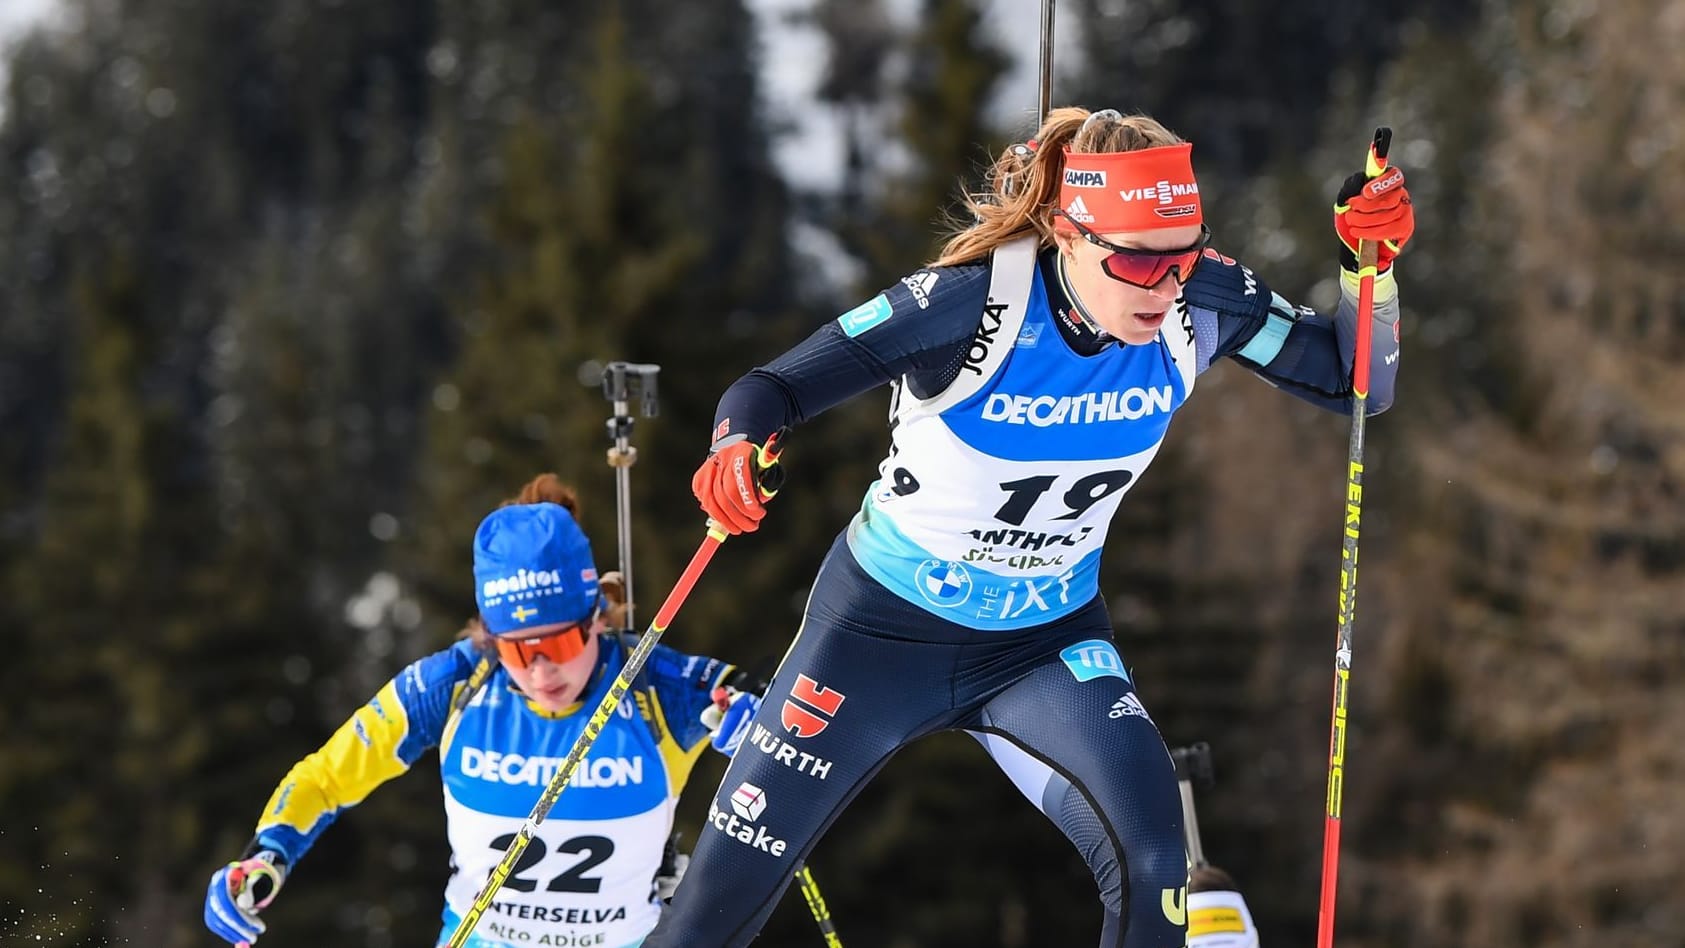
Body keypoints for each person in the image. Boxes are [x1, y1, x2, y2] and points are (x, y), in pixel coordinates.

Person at [652, 105, 1412, 947]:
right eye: (1133, 261)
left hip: (1040, 645)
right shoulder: (971, 306)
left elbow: (1357, 382)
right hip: (875, 637)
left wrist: (1364, 268)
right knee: (709, 911)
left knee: (1154, 857)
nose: (1163, 287)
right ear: (1066, 231)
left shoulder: (1203, 301)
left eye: (1182, 258)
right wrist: (734, 448)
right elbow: (769, 389)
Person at [203, 475, 759, 948]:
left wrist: (755, 726)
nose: (542, 671)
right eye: (518, 650)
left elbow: (782, 710)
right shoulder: (454, 686)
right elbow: (327, 778)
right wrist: (266, 855)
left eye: (559, 645)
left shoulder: (658, 689)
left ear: (597, 615)